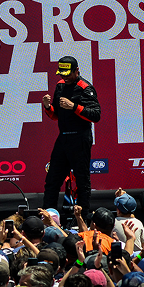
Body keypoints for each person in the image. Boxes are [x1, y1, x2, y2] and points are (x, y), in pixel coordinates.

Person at [41, 56, 100, 215]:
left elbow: (96, 115)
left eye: (68, 74)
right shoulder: (60, 86)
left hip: (80, 138)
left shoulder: (85, 88)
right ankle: (48, 217)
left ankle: (83, 217)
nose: (64, 77)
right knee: (52, 180)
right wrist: (48, 107)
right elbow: (55, 116)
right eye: (62, 74)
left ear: (76, 71)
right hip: (63, 138)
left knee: (82, 181)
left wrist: (74, 106)